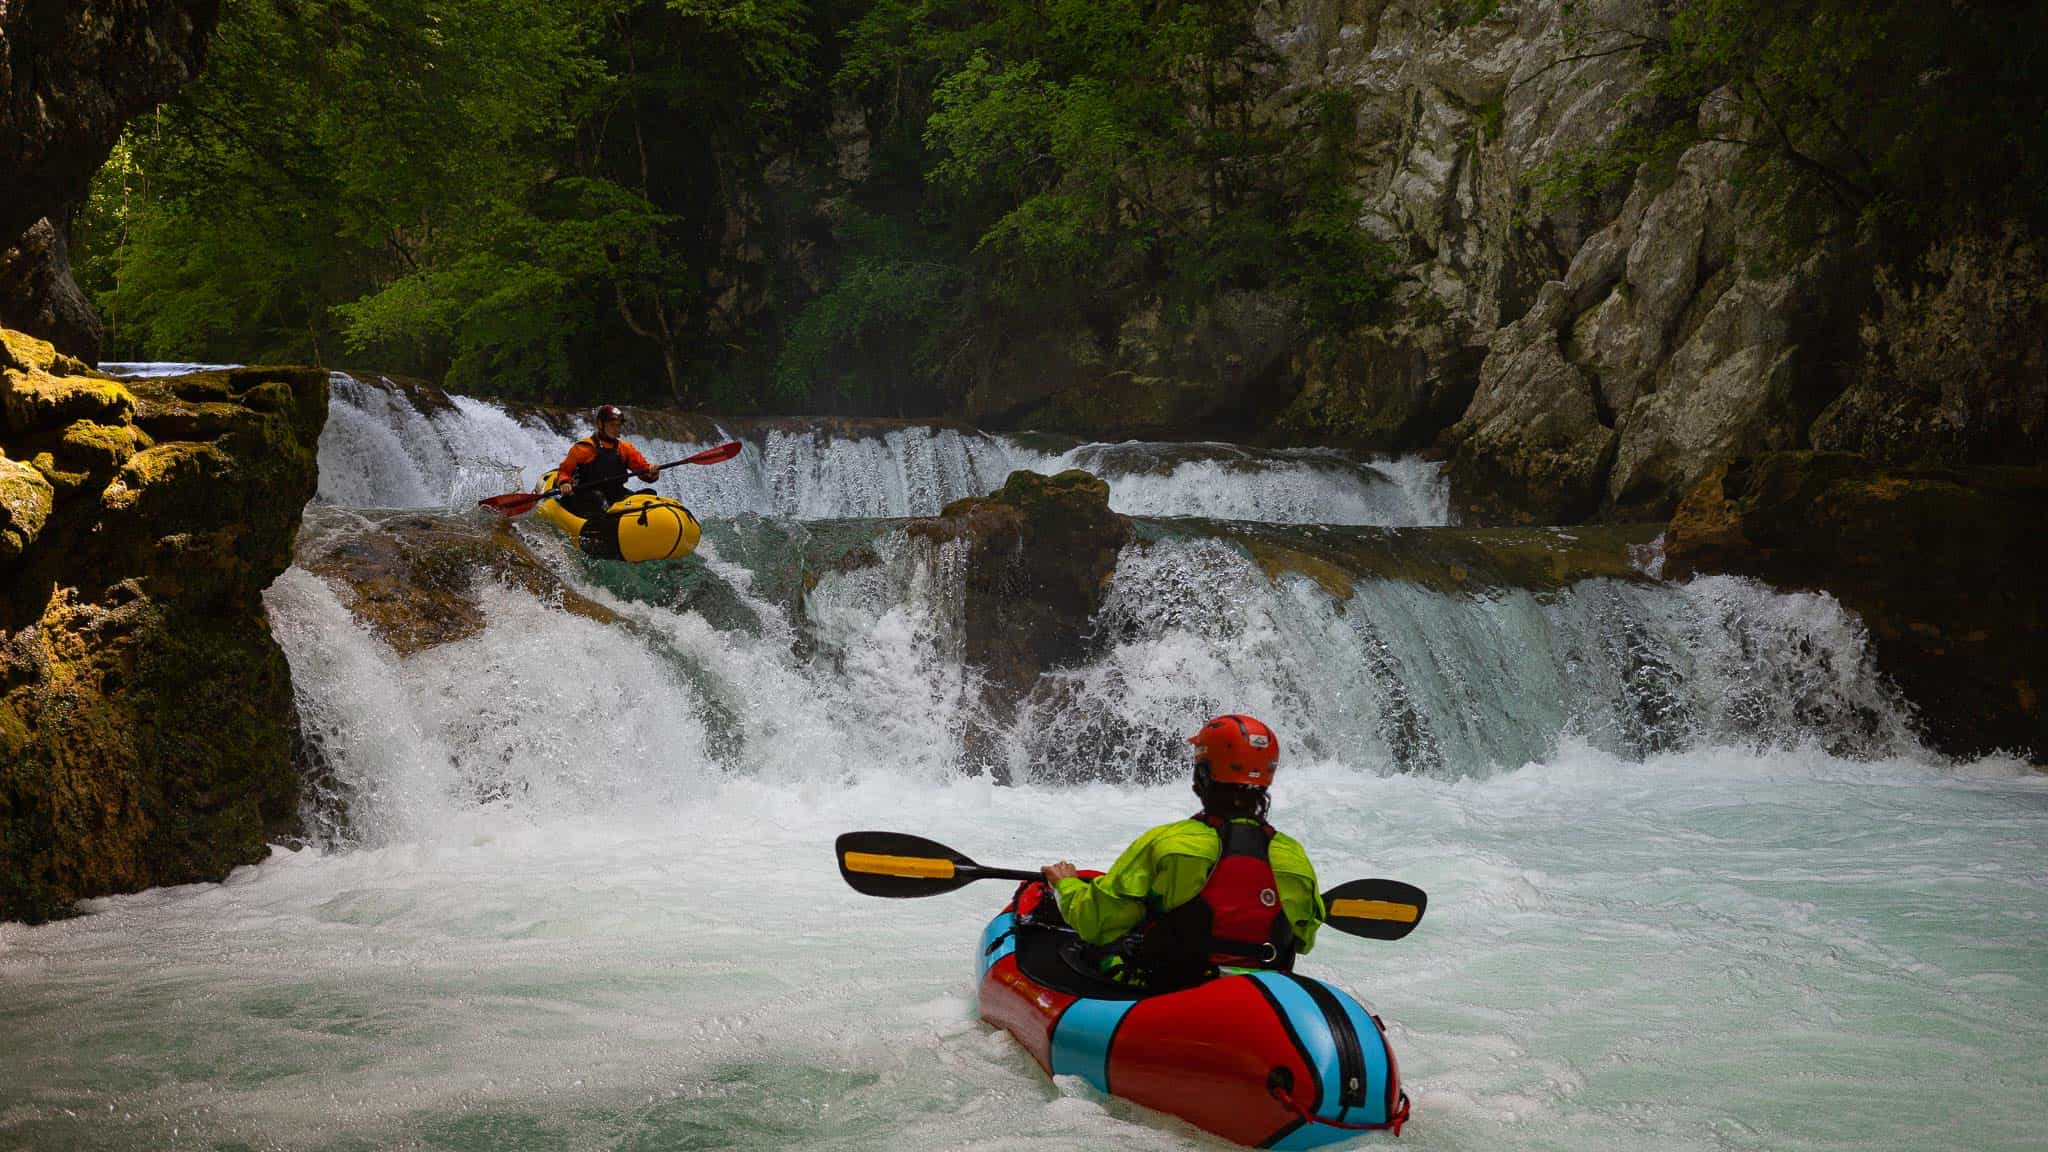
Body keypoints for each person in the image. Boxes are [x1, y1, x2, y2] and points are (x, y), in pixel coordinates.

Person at [1040, 714, 1324, 991]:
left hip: (1169, 992)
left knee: (1100, 948)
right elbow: (1303, 939)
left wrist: (1066, 885)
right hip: (1261, 995)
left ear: (1203, 775)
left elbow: (1095, 922)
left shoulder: (1168, 844)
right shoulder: (1294, 857)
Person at [555, 404, 661, 524]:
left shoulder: (625, 448)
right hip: (587, 495)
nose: (616, 429)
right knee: (598, 500)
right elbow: (565, 471)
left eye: (618, 425)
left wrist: (652, 471)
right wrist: (564, 483)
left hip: (615, 493)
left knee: (649, 494)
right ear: (601, 425)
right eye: (612, 425)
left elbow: (643, 471)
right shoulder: (584, 448)